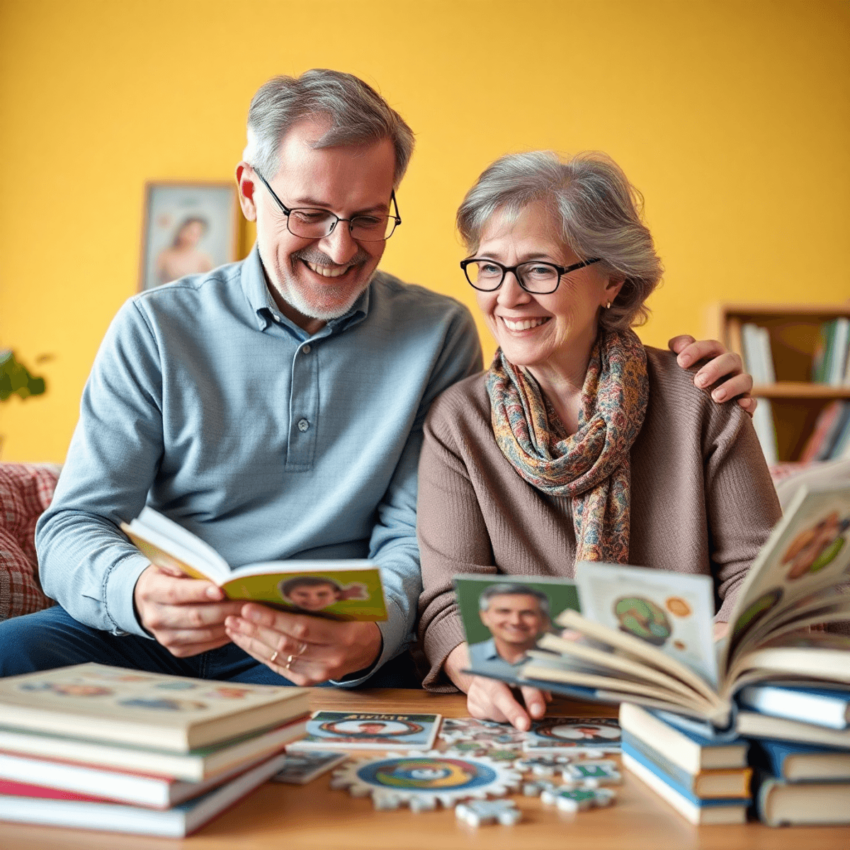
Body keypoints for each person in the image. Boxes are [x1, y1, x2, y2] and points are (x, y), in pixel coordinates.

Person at [0, 71, 754, 689]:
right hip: (161, 633)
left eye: (368, 217)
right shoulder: (155, 327)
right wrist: (137, 593)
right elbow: (71, 526)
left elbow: (411, 540)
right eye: (310, 213)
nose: (339, 247)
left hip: (339, 654)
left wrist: (372, 637)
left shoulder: (437, 333)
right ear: (250, 193)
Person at [417, 150, 782, 727]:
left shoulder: (699, 399)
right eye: (489, 267)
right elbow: (448, 600)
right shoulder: (458, 421)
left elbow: (756, 574)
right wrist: (476, 670)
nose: (507, 297)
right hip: (533, 715)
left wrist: (712, 651)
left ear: (611, 280)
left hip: (686, 706)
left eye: (539, 269)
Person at [468, 583, 550, 669]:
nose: (516, 621)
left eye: (527, 613)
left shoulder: (561, 661)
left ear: (544, 620)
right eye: (504, 611)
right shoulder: (466, 657)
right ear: (484, 617)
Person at [155, 216, 214, 285]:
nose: (191, 238)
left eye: (197, 235)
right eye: (190, 232)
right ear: (181, 230)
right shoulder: (165, 255)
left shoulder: (203, 258)